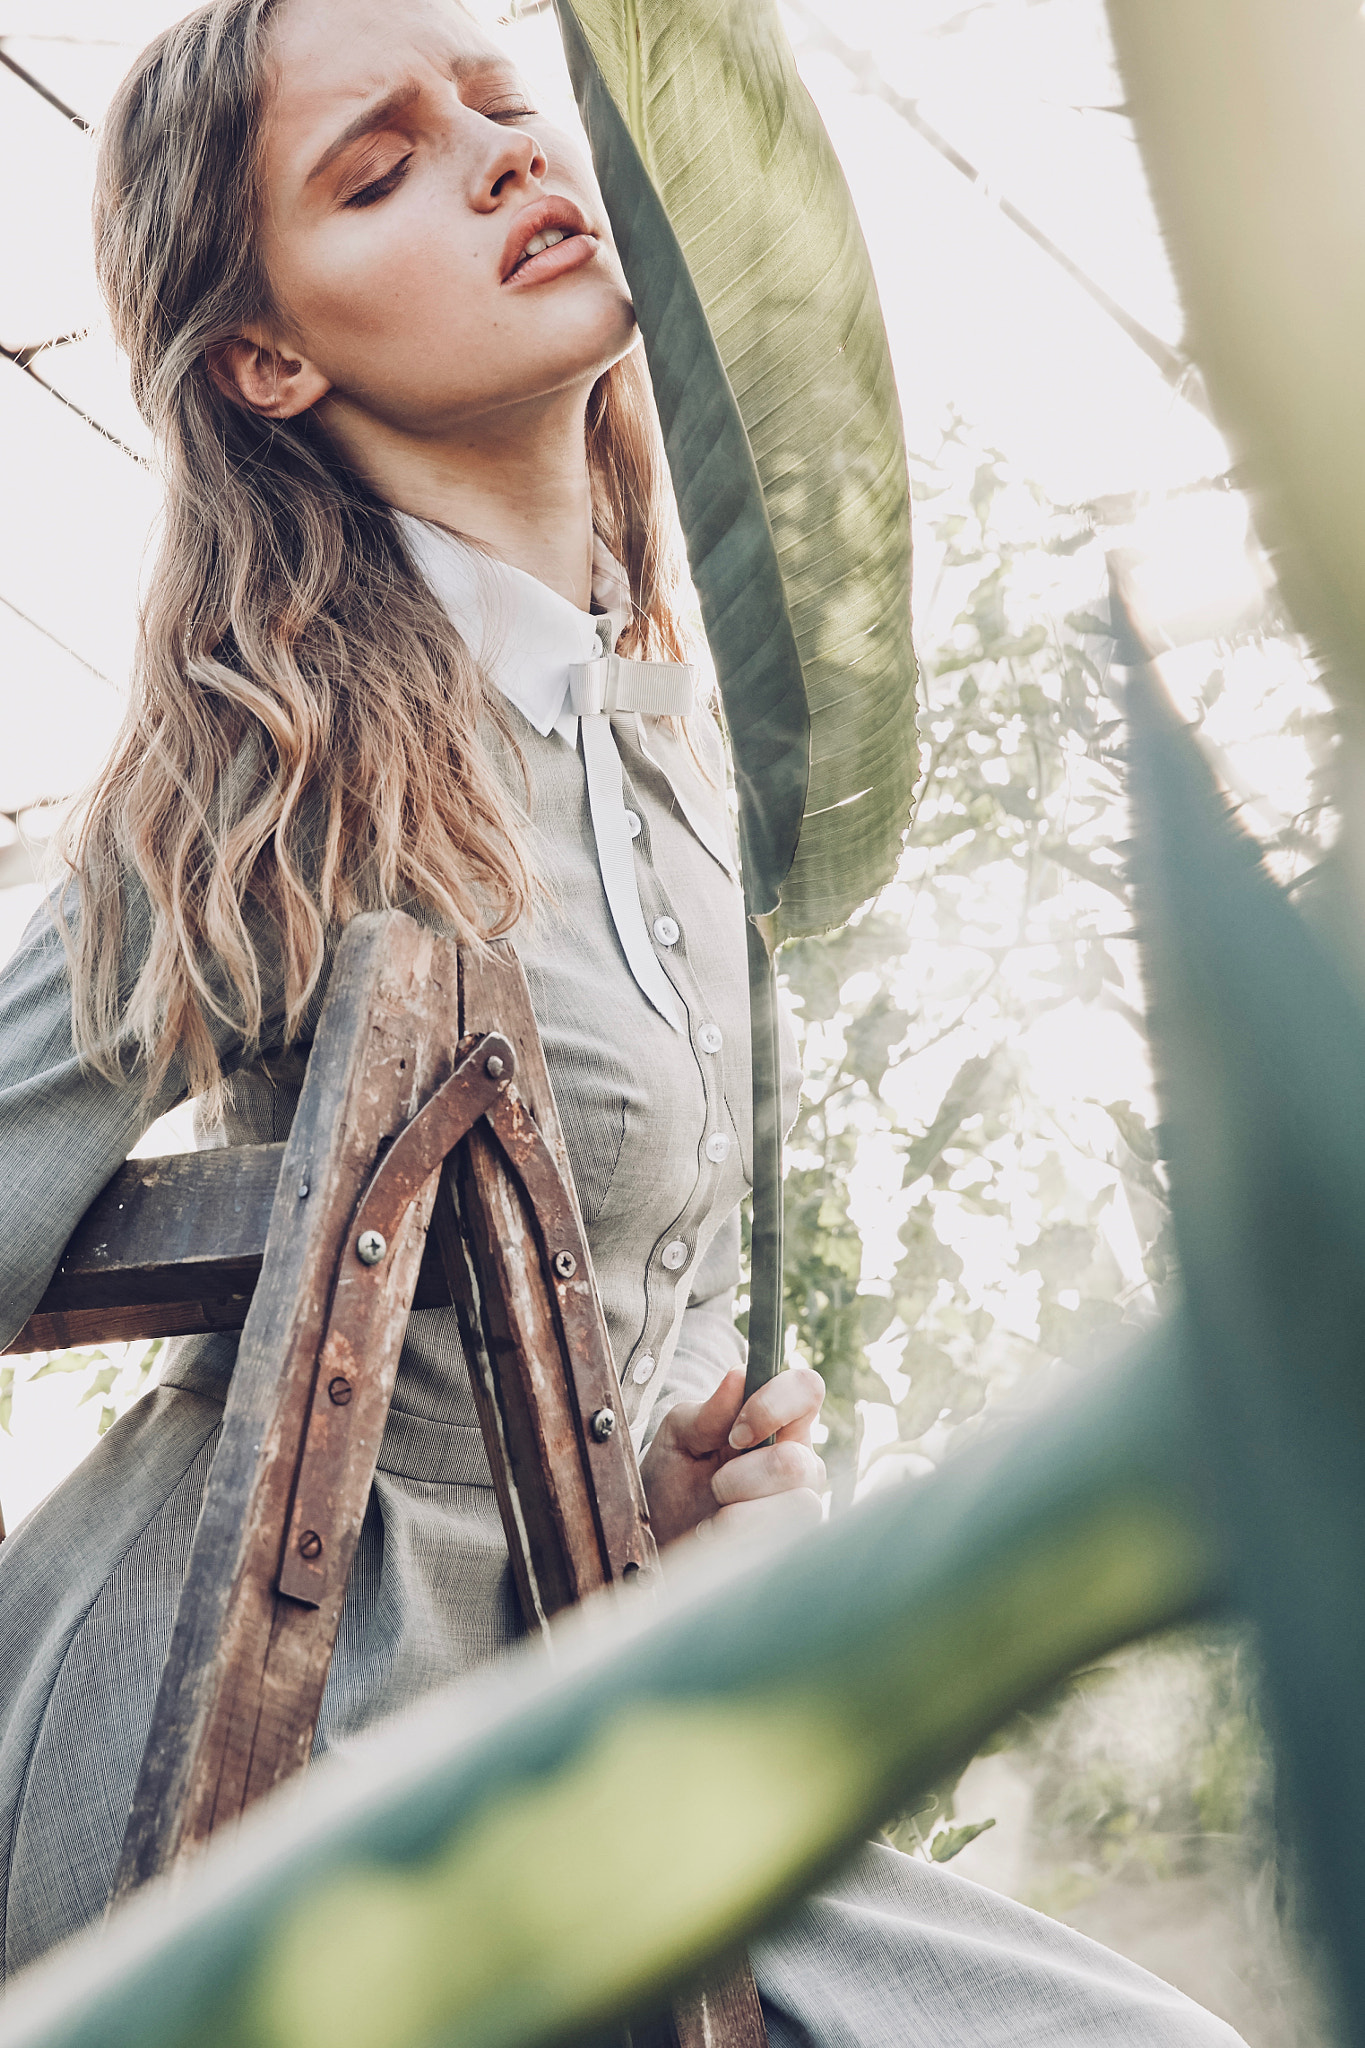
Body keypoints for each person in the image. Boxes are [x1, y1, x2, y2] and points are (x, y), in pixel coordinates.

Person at [0, 2, 1242, 2038]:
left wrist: (678, 1495)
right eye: (375, 165)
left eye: (498, 96)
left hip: (592, 1711)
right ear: (267, 356)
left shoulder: (675, 750)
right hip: (269, 1747)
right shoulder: (277, 769)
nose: (497, 151)